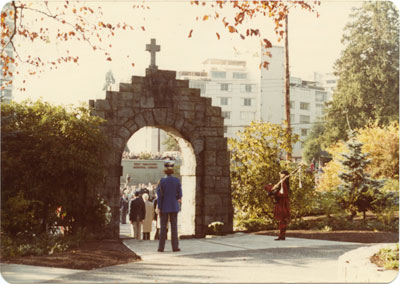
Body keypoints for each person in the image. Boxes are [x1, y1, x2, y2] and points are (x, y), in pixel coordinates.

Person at [156, 160, 182, 252]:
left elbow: (159, 196)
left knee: (163, 227)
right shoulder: (176, 180)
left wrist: (159, 207)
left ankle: (161, 247)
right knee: (174, 227)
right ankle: (175, 247)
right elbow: (179, 195)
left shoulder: (161, 181)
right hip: (174, 207)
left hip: (164, 207)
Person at [269, 170, 291, 241]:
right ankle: (281, 235)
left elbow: (283, 192)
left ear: (283, 175)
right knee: (282, 220)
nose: (280, 175)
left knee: (282, 219)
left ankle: (282, 235)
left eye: (281, 174)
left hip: (283, 202)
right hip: (281, 201)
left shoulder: (285, 182)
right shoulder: (282, 182)